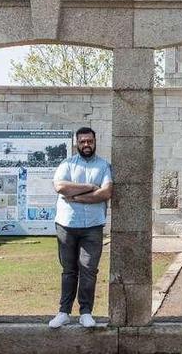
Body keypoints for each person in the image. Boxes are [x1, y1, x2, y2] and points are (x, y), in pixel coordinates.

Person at [48, 127, 113, 329]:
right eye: (83, 141)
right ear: (77, 143)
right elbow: (60, 187)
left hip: (93, 226)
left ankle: (86, 312)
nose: (86, 145)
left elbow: (106, 193)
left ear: (95, 142)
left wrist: (75, 196)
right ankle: (64, 312)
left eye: (90, 141)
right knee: (69, 270)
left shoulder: (103, 165)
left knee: (88, 270)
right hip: (67, 225)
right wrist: (90, 187)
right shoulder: (66, 164)